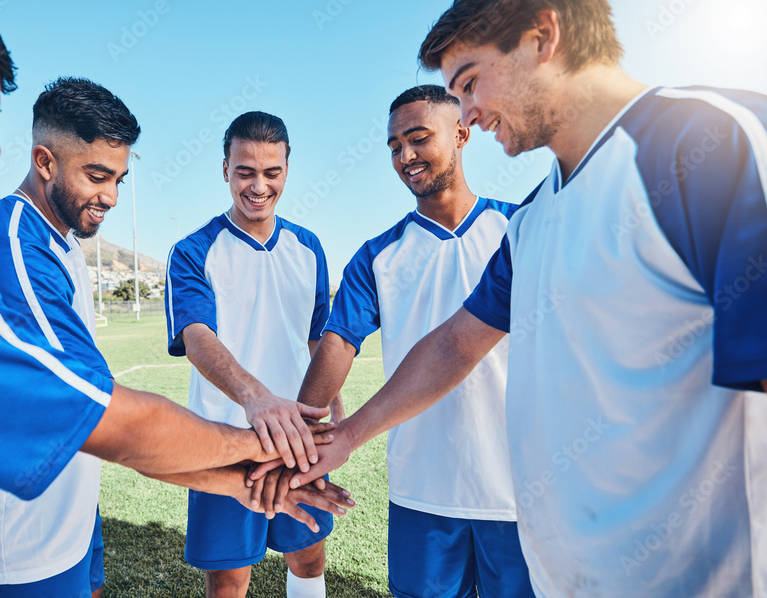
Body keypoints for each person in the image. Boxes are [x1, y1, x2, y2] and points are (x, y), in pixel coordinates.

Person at [0, 2, 351, 596]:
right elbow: (105, 420)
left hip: (62, 513)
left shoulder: (46, 240)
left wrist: (241, 473)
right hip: (19, 545)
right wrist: (268, 451)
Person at [261, 1, 767, 596]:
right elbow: (455, 344)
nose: (469, 110)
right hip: (565, 567)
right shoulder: (534, 219)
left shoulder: (714, 141)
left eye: (471, 81)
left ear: (543, 36)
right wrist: (340, 438)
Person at [296, 84, 533, 598]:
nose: (405, 156)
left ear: (462, 134)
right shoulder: (378, 255)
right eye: (394, 146)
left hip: (519, 491)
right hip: (422, 489)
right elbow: (338, 343)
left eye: (418, 139)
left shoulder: (521, 229)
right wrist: (302, 446)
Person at [0, 77, 138, 598]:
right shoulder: (12, 245)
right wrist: (234, 462)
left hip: (70, 505)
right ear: (45, 161)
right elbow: (88, 407)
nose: (112, 197)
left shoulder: (62, 238)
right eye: (98, 176)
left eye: (120, 179)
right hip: (21, 538)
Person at [165, 111, 333, 598]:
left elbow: (318, 338)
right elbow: (196, 337)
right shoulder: (194, 250)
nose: (258, 185)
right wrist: (255, 398)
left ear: (286, 170)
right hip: (225, 439)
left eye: (271, 172)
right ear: (225, 170)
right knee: (229, 577)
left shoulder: (310, 247)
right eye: (245, 172)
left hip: (300, 441)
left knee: (309, 553)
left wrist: (333, 410)